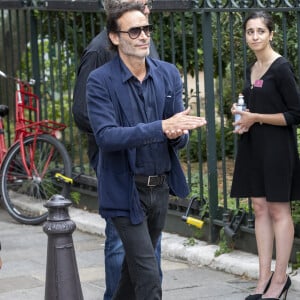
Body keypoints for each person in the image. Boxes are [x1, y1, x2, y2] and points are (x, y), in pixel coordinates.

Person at [86, 3, 207, 299]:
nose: (143, 36)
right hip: (124, 190)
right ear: (115, 37)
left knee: (132, 274)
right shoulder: (100, 81)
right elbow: (106, 137)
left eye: (146, 29)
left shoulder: (166, 73)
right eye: (134, 30)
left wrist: (179, 134)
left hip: (160, 188)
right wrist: (162, 127)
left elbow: (176, 133)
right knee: (150, 277)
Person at [72, 1, 161, 299]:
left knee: (147, 255)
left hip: (152, 166)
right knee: (121, 243)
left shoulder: (146, 45)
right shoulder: (99, 51)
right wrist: (126, 129)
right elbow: (82, 112)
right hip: (117, 164)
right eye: (141, 3)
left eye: (147, 6)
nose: (147, 9)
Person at [230, 11, 300, 300]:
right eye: (250, 31)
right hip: (254, 145)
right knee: (259, 207)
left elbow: (295, 113)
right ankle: (263, 278)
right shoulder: (252, 67)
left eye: (260, 31)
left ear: (271, 34)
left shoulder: (281, 68)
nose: (255, 36)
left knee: (278, 210)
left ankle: (281, 279)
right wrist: (241, 114)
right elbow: (256, 103)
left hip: (277, 148)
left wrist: (255, 116)